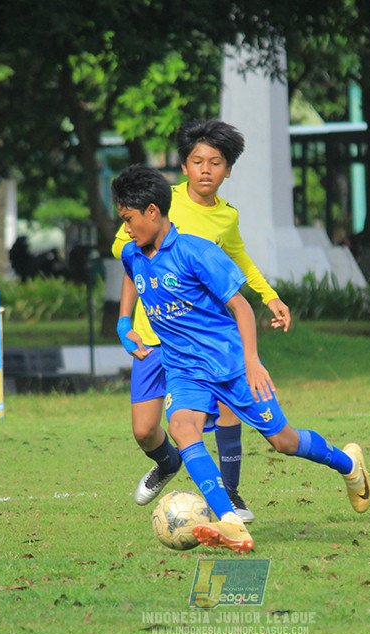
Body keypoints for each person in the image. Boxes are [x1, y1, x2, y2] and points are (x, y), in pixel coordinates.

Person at [112, 164, 370, 553]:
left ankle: (349, 465)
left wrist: (252, 361)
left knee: (284, 441)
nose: (126, 229)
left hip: (230, 365)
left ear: (152, 211)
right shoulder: (134, 252)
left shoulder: (196, 252)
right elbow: (130, 273)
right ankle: (230, 521)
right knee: (182, 428)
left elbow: (242, 307)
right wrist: (123, 322)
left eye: (128, 219)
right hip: (184, 369)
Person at [111, 121, 291, 523]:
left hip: (206, 339)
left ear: (228, 169)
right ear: (184, 165)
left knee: (224, 410)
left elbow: (240, 261)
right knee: (144, 430)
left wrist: (269, 295)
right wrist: (124, 322)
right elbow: (128, 256)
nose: (206, 169)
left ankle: (230, 497)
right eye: (197, 161)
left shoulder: (226, 218)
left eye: (216, 162)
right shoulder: (159, 202)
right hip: (153, 335)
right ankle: (168, 462)